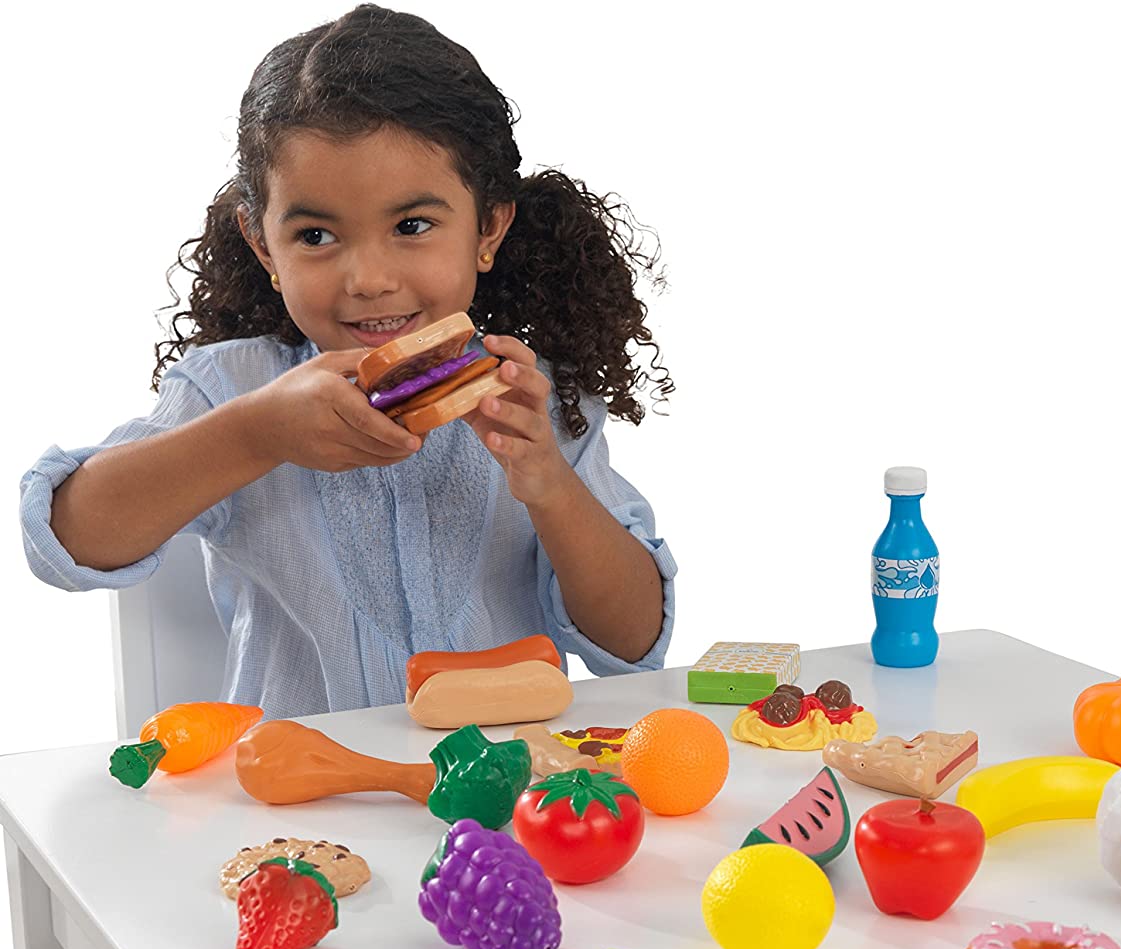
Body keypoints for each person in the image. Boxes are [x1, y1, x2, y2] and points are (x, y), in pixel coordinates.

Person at [19, 2, 676, 721]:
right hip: (296, 780)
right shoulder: (233, 389)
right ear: (265, 247)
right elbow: (67, 540)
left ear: (487, 228)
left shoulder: (535, 400)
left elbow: (633, 642)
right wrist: (254, 435)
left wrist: (550, 485)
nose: (368, 279)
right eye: (316, 236)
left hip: (514, 775)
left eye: (412, 225)